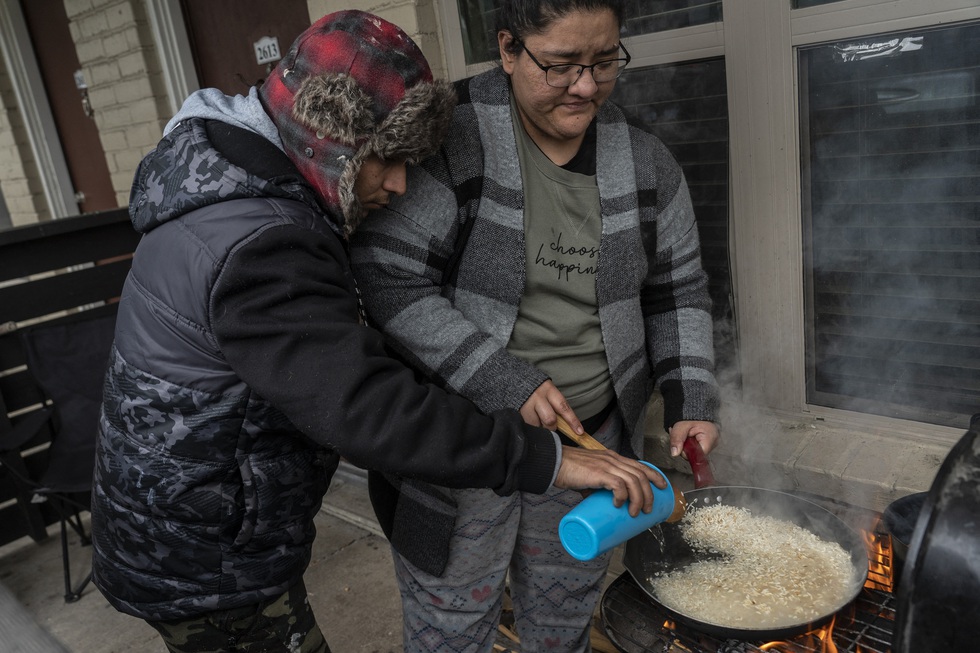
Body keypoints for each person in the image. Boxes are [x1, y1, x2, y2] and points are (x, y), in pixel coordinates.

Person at [89, 10, 666, 653]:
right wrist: (547, 459)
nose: (397, 185)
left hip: (201, 515)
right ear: (329, 139)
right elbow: (367, 407)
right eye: (386, 160)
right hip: (204, 552)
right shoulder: (263, 242)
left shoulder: (225, 174)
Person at [350, 0, 722, 650]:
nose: (586, 86)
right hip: (463, 446)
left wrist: (691, 396)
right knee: (450, 629)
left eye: (604, 62)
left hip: (590, 442)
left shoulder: (646, 163)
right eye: (561, 65)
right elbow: (387, 277)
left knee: (562, 624)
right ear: (507, 49)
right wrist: (504, 378)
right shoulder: (452, 141)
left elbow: (678, 288)